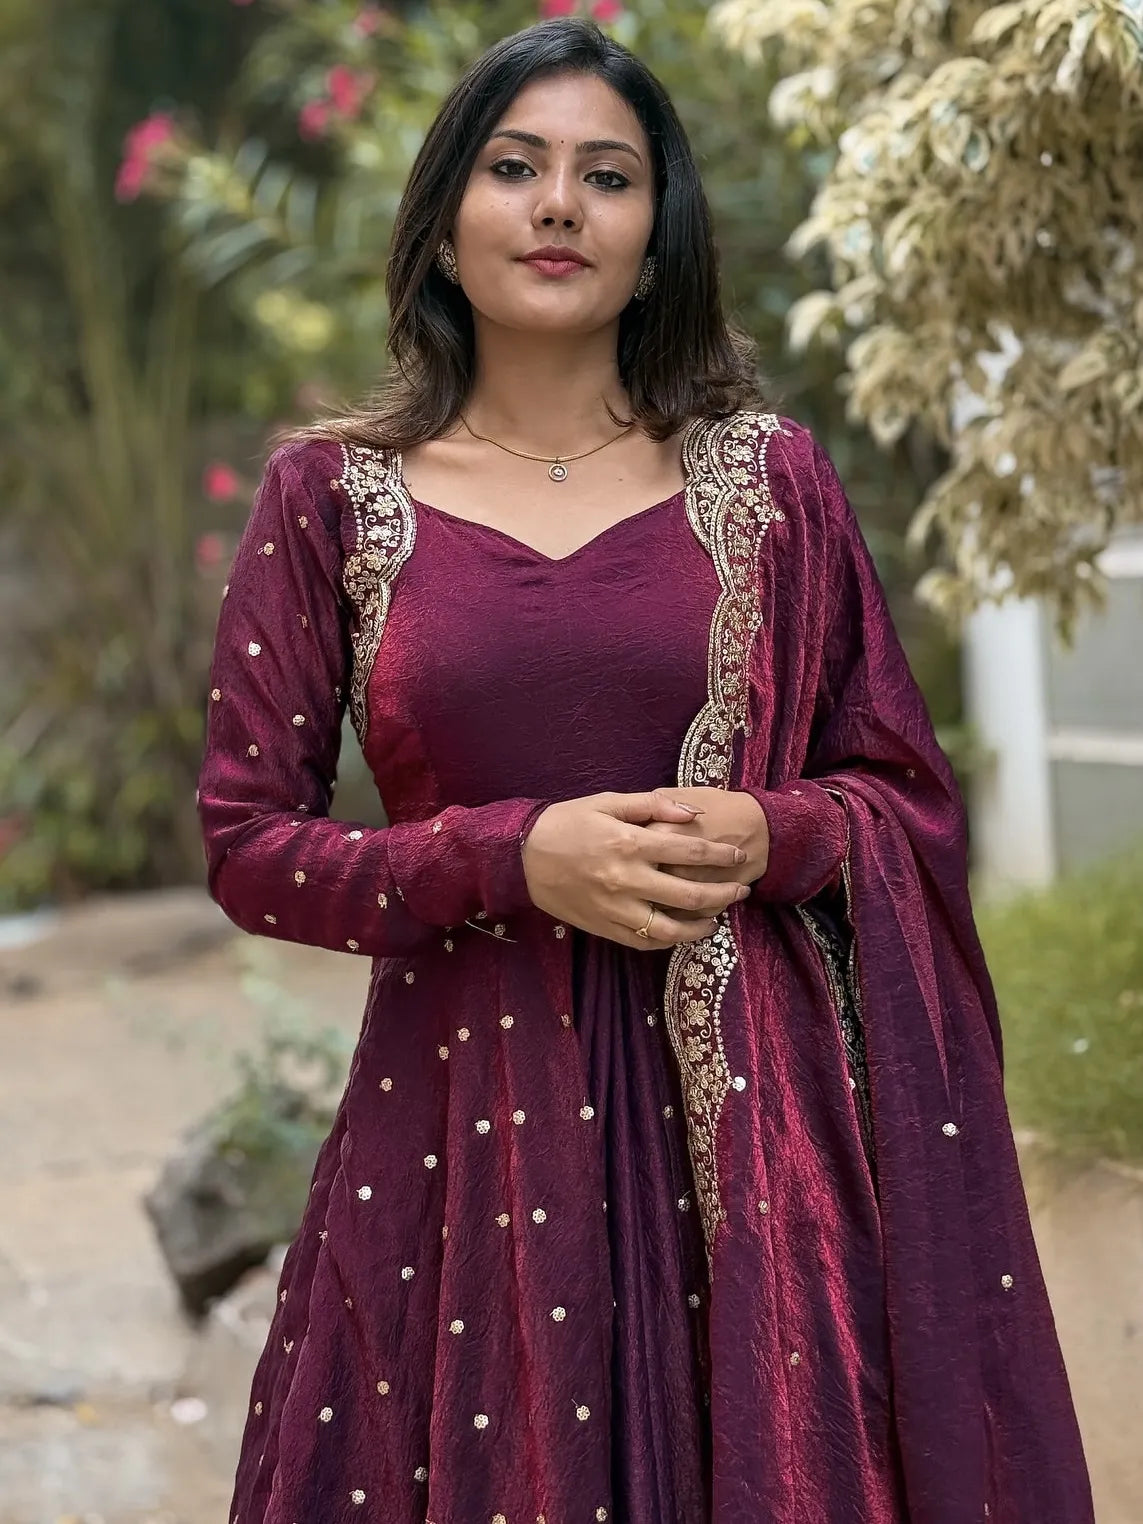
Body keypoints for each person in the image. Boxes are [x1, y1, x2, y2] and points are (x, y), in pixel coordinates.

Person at [196, 17, 1094, 1524]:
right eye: (515, 167)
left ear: (656, 242)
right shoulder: (330, 498)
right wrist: (507, 858)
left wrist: (776, 829)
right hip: (461, 1142)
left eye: (607, 176)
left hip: (761, 1154)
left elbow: (903, 794)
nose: (560, 205)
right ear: (442, 224)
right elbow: (247, 842)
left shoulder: (772, 483)